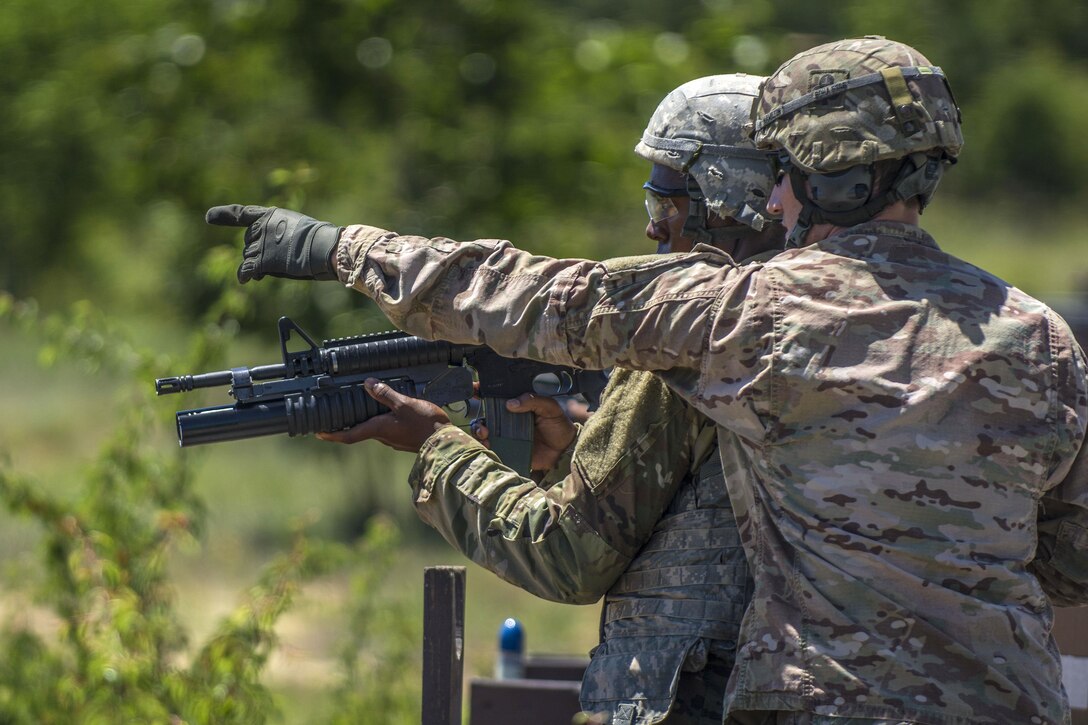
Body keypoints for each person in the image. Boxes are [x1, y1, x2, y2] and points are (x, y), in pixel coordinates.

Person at [207, 36, 1088, 724]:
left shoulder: (749, 313)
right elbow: (1070, 558)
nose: (776, 203)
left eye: (787, 177)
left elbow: (538, 293)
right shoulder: (1039, 335)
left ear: (836, 179)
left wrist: (336, 248)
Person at [318, 74, 782, 725]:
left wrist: (435, 446)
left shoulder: (700, 334)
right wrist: (576, 453)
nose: (654, 232)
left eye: (666, 205)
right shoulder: (854, 315)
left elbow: (566, 553)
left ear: (729, 197)